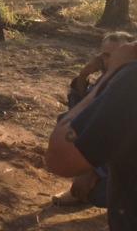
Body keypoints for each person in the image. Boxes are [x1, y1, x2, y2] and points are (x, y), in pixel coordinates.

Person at [46, 40, 137, 230]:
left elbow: (59, 159)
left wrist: (112, 75)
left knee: (93, 189)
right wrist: (85, 74)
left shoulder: (129, 81)